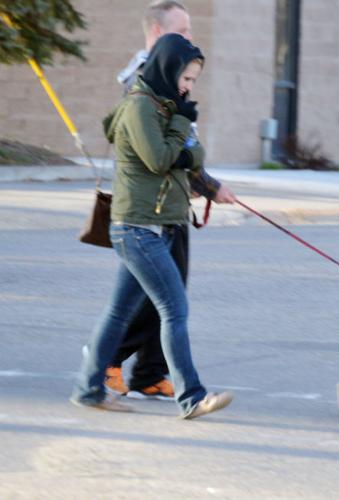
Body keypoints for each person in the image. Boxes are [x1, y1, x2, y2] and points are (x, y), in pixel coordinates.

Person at [72, 33, 233, 418]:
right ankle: (192, 397)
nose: (189, 87)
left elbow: (188, 160)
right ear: (168, 68)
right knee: (174, 310)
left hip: (154, 226)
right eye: (187, 78)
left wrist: (204, 179)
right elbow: (161, 159)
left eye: (193, 81)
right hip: (137, 228)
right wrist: (184, 128)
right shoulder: (142, 109)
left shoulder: (162, 108)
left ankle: (87, 389)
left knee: (117, 314)